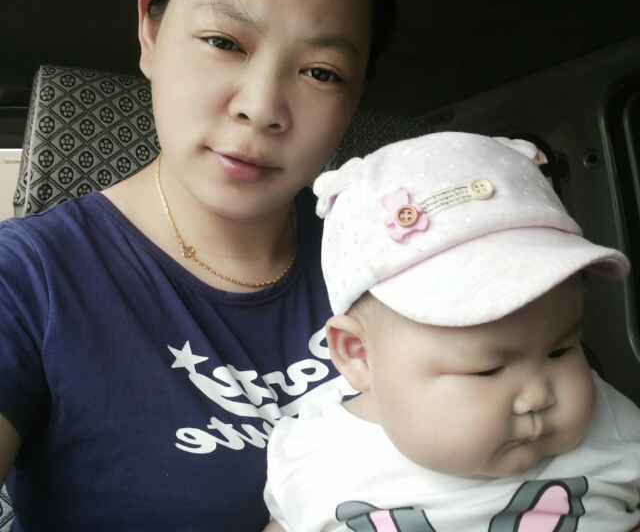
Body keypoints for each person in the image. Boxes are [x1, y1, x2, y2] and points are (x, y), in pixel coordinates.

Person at [0, 0, 396, 529]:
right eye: (223, 41)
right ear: (150, 31)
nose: (260, 107)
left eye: (321, 72)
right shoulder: (26, 280)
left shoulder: (399, 258)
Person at [264, 132, 640, 532]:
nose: (537, 396)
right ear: (359, 355)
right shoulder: (316, 454)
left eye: (560, 350)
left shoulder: (610, 422)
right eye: (486, 370)